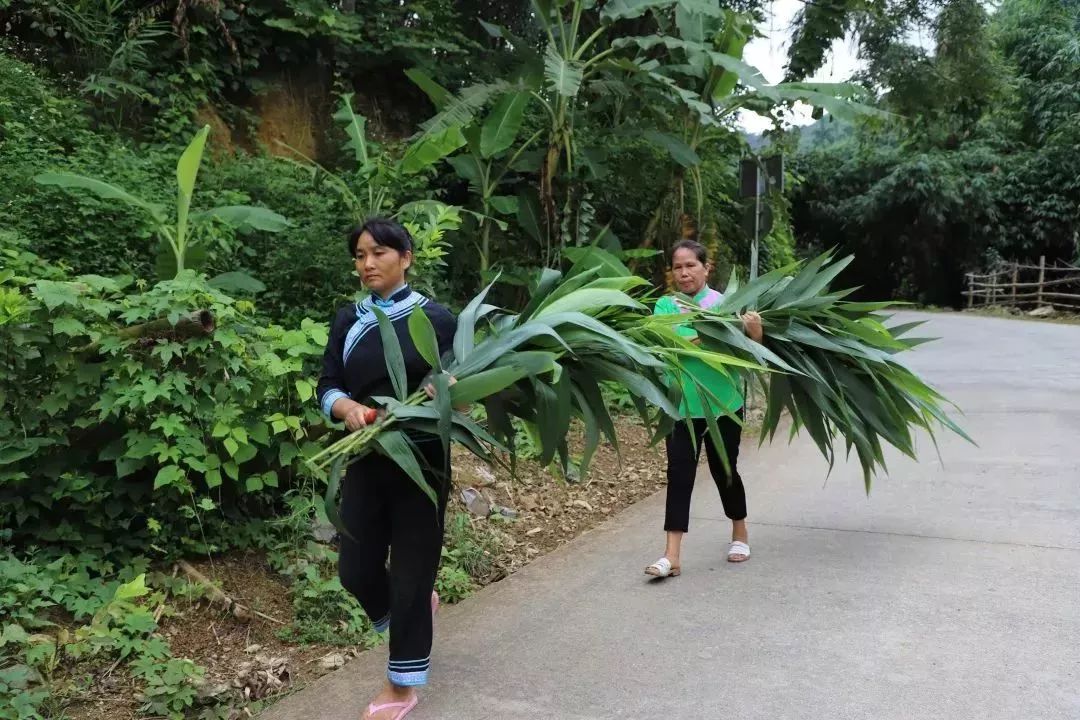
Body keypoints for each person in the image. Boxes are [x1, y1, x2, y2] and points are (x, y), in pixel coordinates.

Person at [317, 217, 457, 720]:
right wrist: (347, 409)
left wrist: (445, 392)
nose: (367, 263)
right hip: (365, 459)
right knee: (355, 571)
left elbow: (458, 388)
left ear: (406, 257)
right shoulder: (348, 319)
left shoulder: (438, 319)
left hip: (421, 463)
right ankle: (413, 612)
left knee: (412, 576)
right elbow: (327, 384)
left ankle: (402, 686)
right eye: (359, 255)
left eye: (378, 252)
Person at [645, 239, 764, 579]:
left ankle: (739, 531)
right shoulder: (664, 307)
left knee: (724, 471)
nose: (684, 273)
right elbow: (669, 348)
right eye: (678, 267)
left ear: (706, 267)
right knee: (679, 475)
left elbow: (750, 356)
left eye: (690, 265)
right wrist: (709, 331)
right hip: (680, 406)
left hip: (723, 404)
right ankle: (672, 556)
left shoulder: (727, 305)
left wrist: (755, 334)